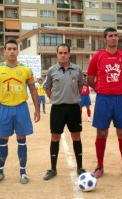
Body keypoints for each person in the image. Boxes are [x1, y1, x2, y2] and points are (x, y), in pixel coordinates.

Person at [0, 39, 40, 184]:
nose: (12, 51)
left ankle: (23, 172)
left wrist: (37, 109)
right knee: (2, 141)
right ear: (4, 51)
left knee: (22, 140)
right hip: (4, 108)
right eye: (9, 49)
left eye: (14, 49)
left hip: (21, 108)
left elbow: (33, 89)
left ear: (18, 51)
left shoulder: (26, 70)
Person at [87, 27, 122, 179]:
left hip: (120, 99)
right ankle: (100, 166)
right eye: (110, 36)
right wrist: (101, 90)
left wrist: (119, 88)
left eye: (116, 35)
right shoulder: (97, 57)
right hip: (103, 99)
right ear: (104, 39)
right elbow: (90, 78)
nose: (114, 38)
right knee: (101, 133)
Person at [43, 43, 86, 180]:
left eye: (65, 52)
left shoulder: (77, 70)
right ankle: (53, 169)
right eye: (60, 53)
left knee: (76, 137)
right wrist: (56, 99)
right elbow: (47, 88)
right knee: (55, 137)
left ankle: (80, 167)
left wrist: (73, 98)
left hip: (73, 108)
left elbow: (80, 86)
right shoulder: (51, 70)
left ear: (69, 54)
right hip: (57, 109)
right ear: (57, 54)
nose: (63, 55)